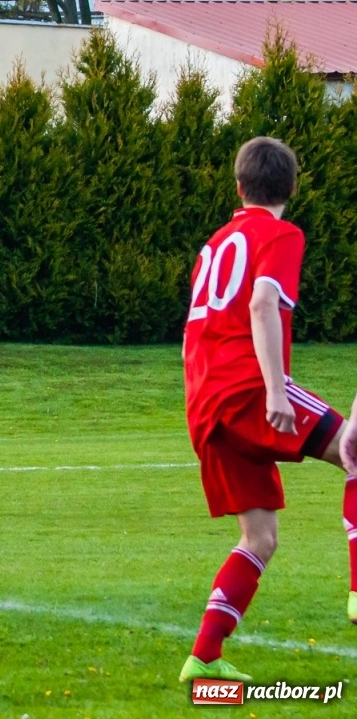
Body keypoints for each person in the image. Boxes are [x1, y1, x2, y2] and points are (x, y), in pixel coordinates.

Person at [178, 137, 357, 683]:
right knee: (356, 449)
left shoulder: (214, 244)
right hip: (249, 390)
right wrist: (276, 390)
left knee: (260, 538)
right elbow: (261, 303)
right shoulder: (281, 233)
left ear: (238, 187)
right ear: (293, 190)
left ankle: (203, 657)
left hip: (204, 403)